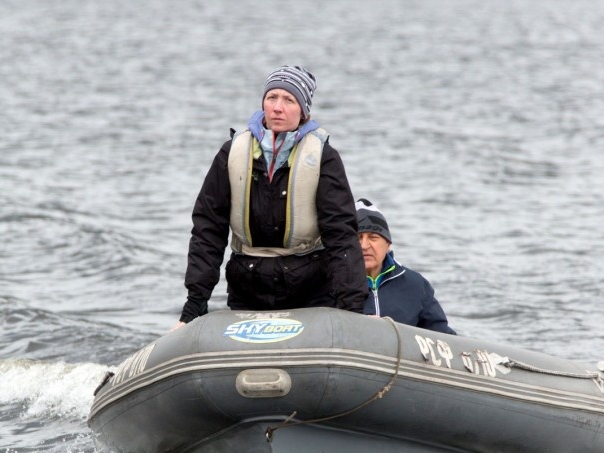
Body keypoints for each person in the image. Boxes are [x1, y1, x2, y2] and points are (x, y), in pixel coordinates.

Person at [174, 66, 367, 328]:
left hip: (310, 291)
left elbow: (341, 236)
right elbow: (208, 231)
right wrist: (194, 306)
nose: (278, 107)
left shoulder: (324, 157)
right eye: (272, 97)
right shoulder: (231, 153)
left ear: (303, 111)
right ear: (263, 103)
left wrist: (352, 310)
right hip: (247, 288)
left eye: (289, 100)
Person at [356, 199, 455, 334]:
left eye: (373, 238)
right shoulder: (333, 282)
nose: (364, 246)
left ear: (388, 243)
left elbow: (442, 334)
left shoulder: (416, 284)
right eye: (358, 238)